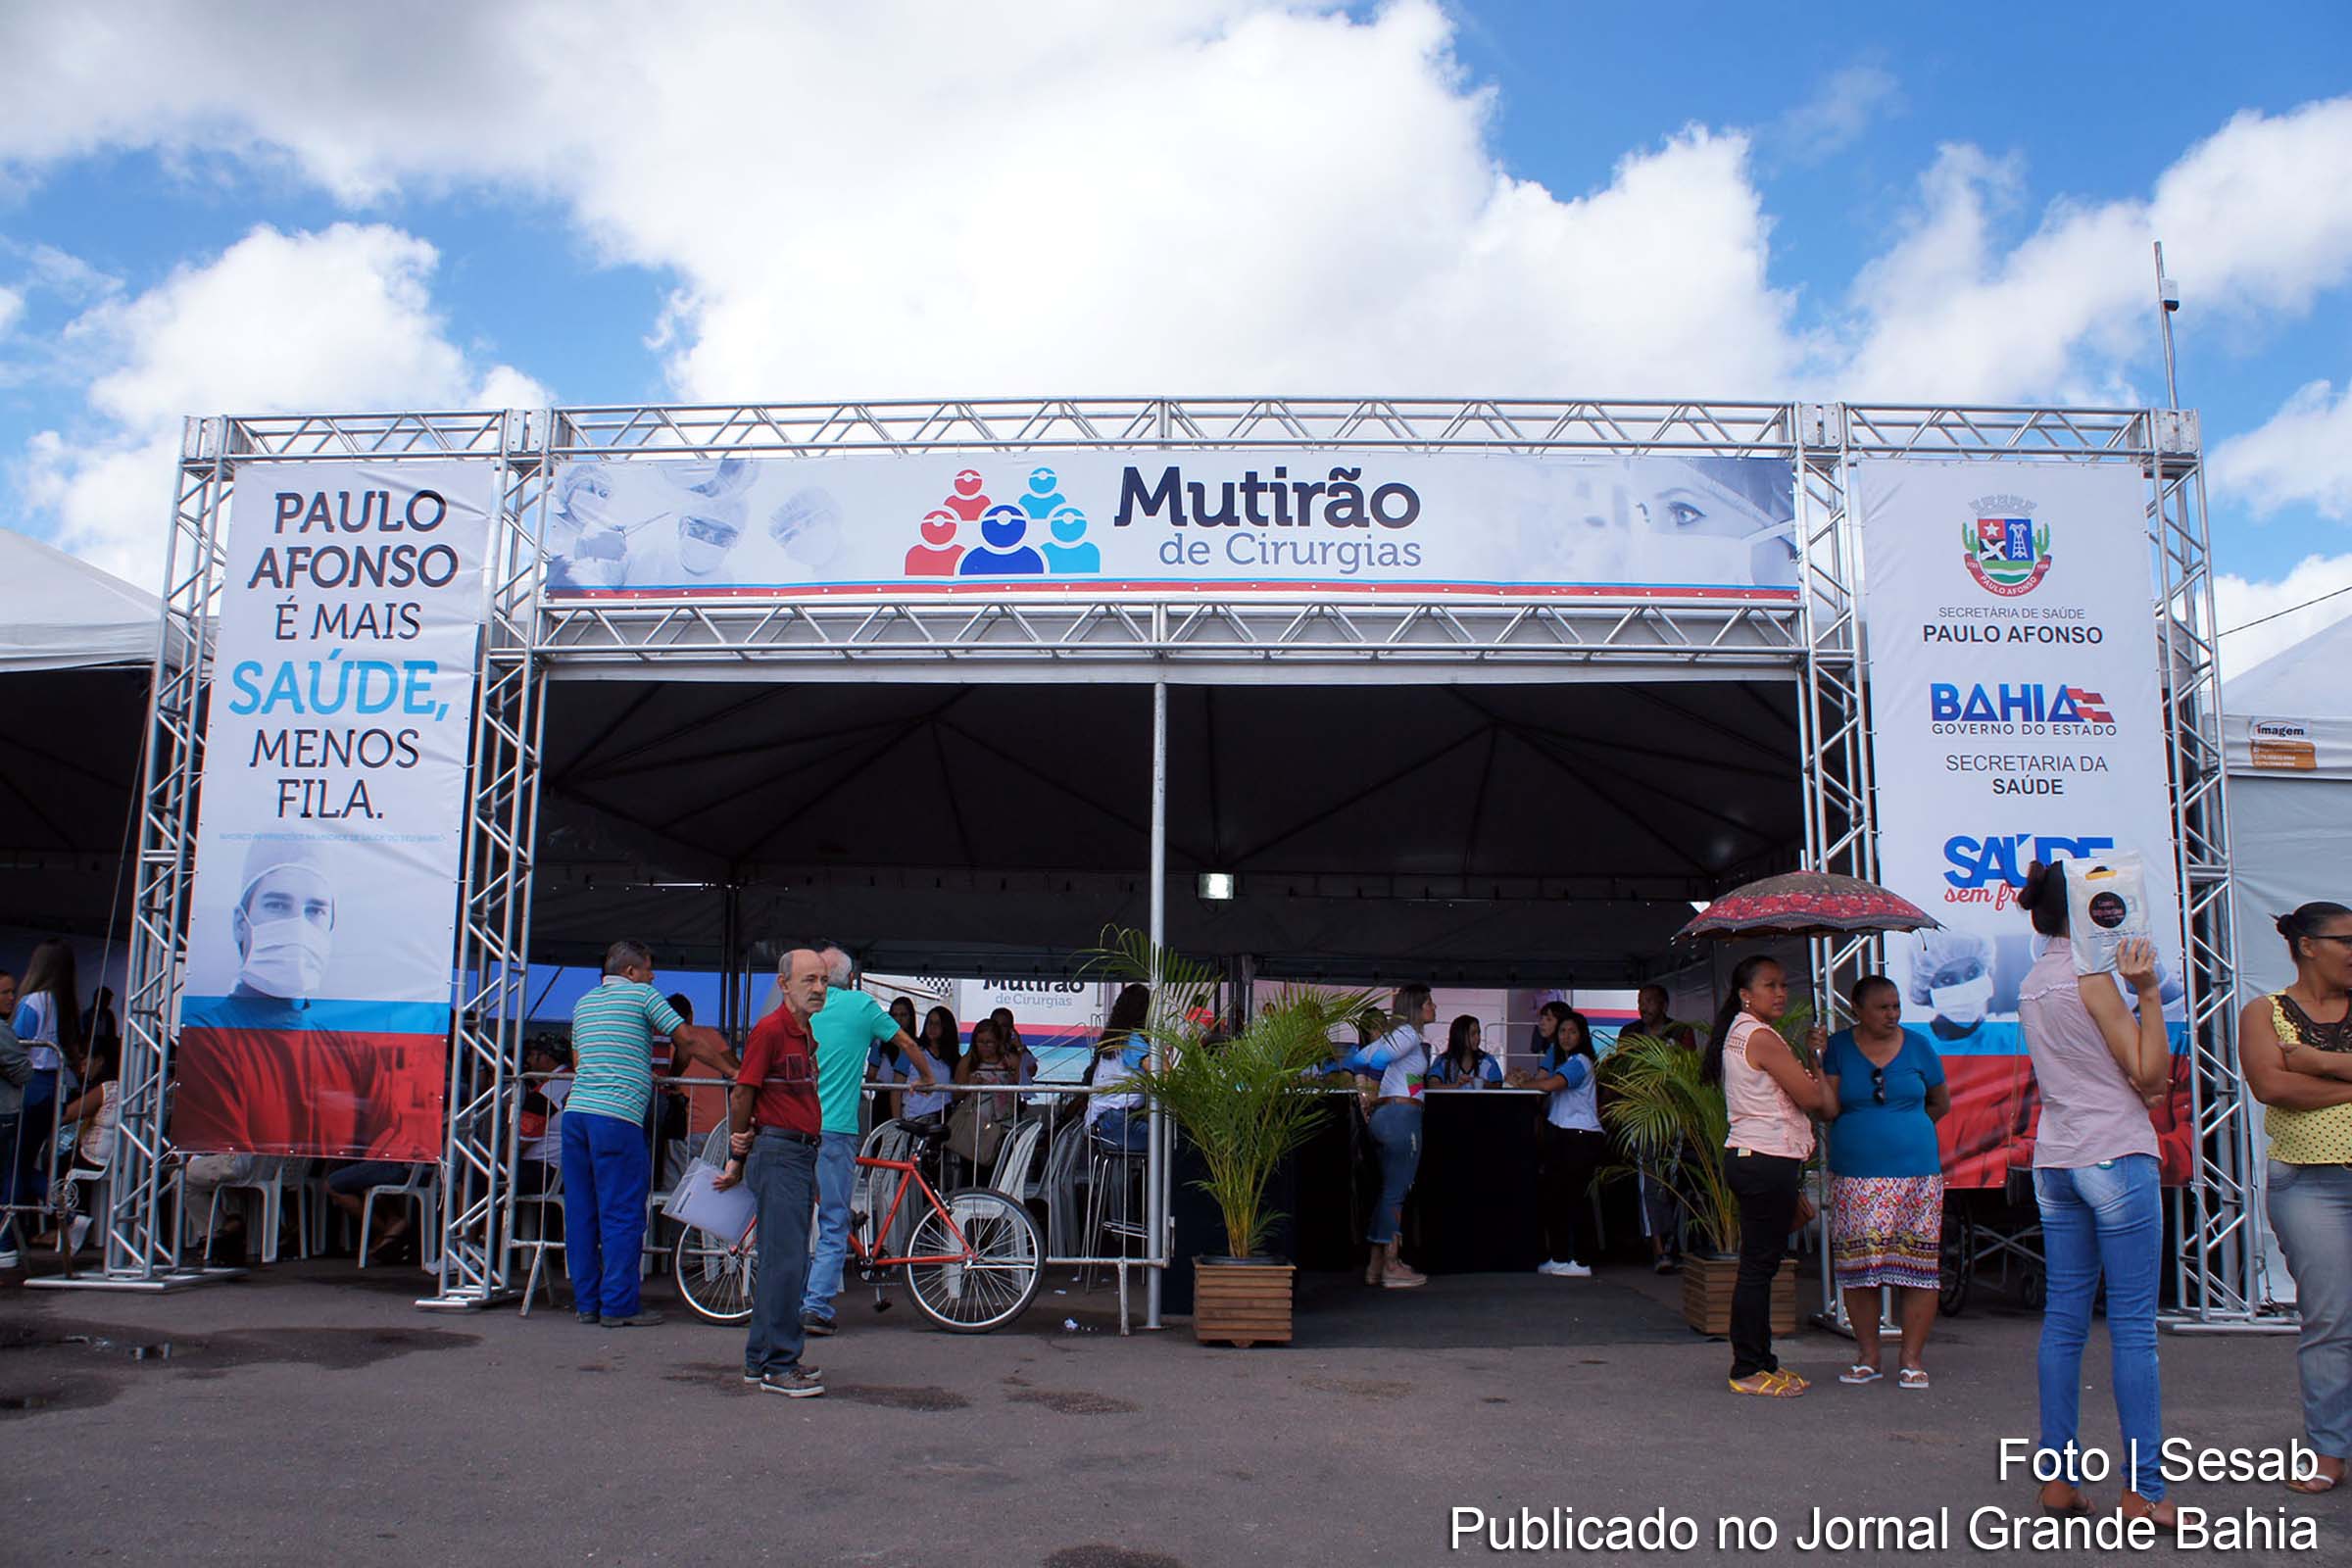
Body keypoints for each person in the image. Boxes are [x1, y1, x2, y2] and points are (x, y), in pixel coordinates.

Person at [2013, 860, 2175, 1524]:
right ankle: (2145, 1491)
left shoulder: (2032, 982)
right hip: (2115, 1152)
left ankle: (2059, 1481)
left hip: (2057, 1156)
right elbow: (2151, 1077)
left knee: (2064, 1321)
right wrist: (2150, 994)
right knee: (2133, 1327)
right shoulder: (2092, 980)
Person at [174, 839, 440, 1159]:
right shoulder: (210, 1039)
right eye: (277, 905)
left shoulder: (356, 1056)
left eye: (315, 910)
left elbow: (386, 1152)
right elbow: (228, 1165)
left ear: (330, 928)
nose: (298, 927)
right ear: (240, 923)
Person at [2238, 902, 2352, 1496]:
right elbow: (2271, 1085)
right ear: (2308, 945)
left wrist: (2316, 1062)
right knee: (2330, 1318)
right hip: (2311, 1182)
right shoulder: (2264, 1011)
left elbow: (2293, 1077)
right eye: (2347, 940)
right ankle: (2330, 1451)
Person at [564, 939, 734, 1328]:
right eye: (648, 968)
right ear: (630, 972)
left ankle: (587, 1303)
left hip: (577, 1114)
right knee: (622, 1213)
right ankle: (618, 1305)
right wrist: (732, 1071)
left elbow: (577, 1060)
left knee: (581, 1212)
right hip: (617, 1117)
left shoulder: (584, 1003)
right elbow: (687, 1039)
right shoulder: (643, 996)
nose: (653, 976)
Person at [1702, 955, 1828, 1397]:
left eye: (1783, 985)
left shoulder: (1741, 1031)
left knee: (1761, 1264)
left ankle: (1762, 1360)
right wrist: (1816, 1058)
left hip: (1755, 1156)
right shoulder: (1760, 1037)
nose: (1780, 993)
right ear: (1745, 994)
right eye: (1769, 985)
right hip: (1765, 1157)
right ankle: (1747, 1367)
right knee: (1758, 1267)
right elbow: (1812, 1097)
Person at [1818, 974, 1949, 1389]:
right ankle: (1868, 1357)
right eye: (1882, 1007)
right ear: (1857, 1009)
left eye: (1896, 1006)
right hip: (1856, 1176)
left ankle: (1911, 1359)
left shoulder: (1919, 1046)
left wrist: (1905, 1133)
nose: (1892, 1014)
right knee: (1860, 1266)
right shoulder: (1838, 1048)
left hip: (1917, 1176)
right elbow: (1827, 1108)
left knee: (1918, 1265)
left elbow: (1940, 1102)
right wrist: (1813, 1058)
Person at [714, 947, 828, 1397]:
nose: (818, 988)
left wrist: (742, 1146)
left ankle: (762, 1358)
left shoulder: (799, 1030)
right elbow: (743, 1091)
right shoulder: (772, 1030)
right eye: (809, 980)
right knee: (787, 1262)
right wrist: (737, 1147)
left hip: (792, 1152)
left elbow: (749, 1093)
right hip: (781, 1152)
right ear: (784, 984)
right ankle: (779, 1364)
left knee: (784, 1260)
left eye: (822, 980)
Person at [802, 946, 929, 1341]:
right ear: (851, 978)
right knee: (833, 1219)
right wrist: (926, 1078)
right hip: (837, 1128)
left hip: (797, 1127)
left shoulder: (803, 1008)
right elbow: (908, 1043)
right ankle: (815, 1306)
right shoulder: (861, 1006)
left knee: (798, 1215)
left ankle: (794, 1298)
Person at [1360, 984, 1436, 1290]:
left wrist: (1364, 1094)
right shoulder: (1407, 1035)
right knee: (1396, 1191)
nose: (1434, 1007)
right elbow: (1376, 1062)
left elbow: (1358, 1059)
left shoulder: (1394, 1036)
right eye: (1429, 1003)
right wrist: (1369, 1091)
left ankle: (1376, 1264)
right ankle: (1392, 1264)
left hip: (1387, 1116)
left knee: (1388, 1190)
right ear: (1416, 1007)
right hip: (1402, 1116)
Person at [1522, 1004, 1603, 1278]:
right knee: (1555, 1198)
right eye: (1563, 1031)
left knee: (1575, 1199)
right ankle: (1559, 1257)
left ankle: (1581, 1260)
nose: (1566, 1036)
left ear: (1582, 1035)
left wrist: (1521, 1084)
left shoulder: (1580, 1062)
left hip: (1580, 1136)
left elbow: (1549, 1085)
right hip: (1562, 1134)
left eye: (1572, 1032)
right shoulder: (1566, 1061)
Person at [10, 940, 80, 1257]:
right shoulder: (64, 1004)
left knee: (12, 1163)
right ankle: (67, 1212)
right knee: (22, 1162)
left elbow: (12, 1047)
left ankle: (7, 1242)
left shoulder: (33, 1001)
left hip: (30, 1085)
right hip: (53, 1087)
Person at [1623, 984, 1698, 1273]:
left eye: (1650, 1001)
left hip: (1673, 1116)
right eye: (1640, 1001)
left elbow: (1689, 1073)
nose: (1643, 1007)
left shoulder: (1679, 1032)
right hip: (1642, 1117)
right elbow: (1622, 1072)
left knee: (1672, 1179)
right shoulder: (1630, 1033)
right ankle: (1659, 1248)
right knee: (1650, 1179)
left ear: (1664, 1005)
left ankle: (1671, 1243)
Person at [1086, 984, 1152, 1151]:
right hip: (1118, 1122)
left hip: (1106, 1120)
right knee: (1175, 1142)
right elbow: (1161, 1072)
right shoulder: (1133, 1041)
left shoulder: (1115, 1038)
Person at [0, 970, 28, 1267]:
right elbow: (22, 1069)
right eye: (5, 992)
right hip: (4, 1113)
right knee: (8, 1175)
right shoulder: (2, 1031)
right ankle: (4, 1243)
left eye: (12, 991)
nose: (11, 998)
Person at [1427, 1014, 1503, 1089]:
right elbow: (1432, 1086)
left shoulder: (1488, 1060)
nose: (1478, 1038)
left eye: (1479, 1033)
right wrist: (1455, 1086)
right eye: (1473, 1034)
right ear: (1459, 1035)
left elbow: (1498, 1087)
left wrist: (1485, 1084)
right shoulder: (1443, 1060)